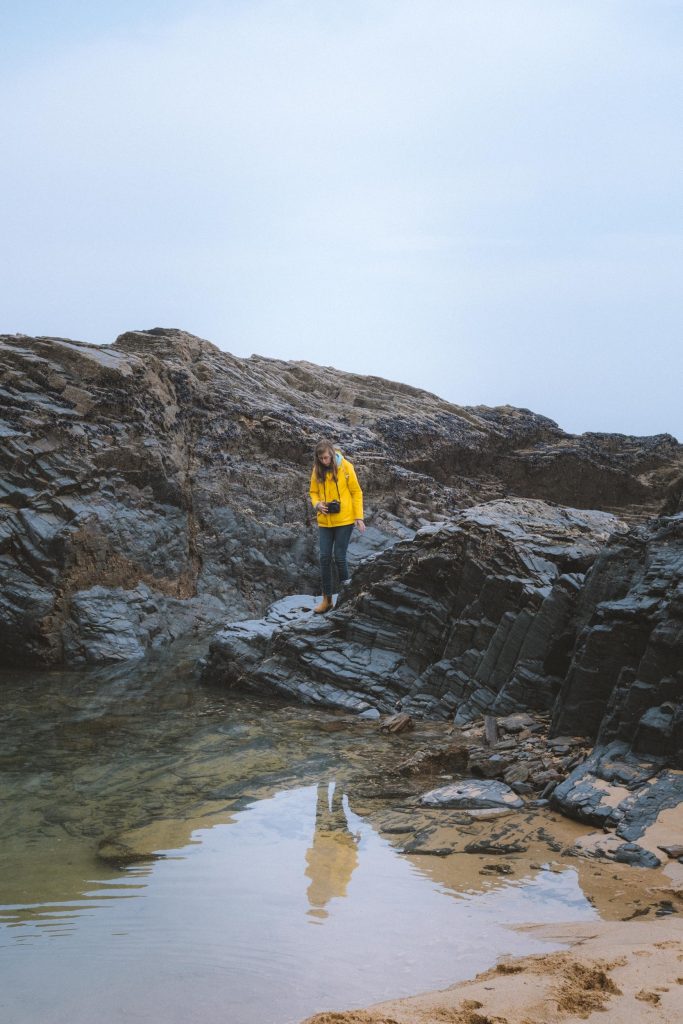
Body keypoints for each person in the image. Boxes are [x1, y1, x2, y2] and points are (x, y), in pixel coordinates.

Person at [309, 438, 365, 613]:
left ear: (332, 454)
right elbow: (313, 492)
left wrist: (359, 517)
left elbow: (356, 492)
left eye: (327, 458)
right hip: (325, 520)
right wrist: (317, 504)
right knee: (324, 558)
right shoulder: (317, 470)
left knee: (339, 557)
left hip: (345, 520)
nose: (325, 461)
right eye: (321, 459)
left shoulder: (346, 467)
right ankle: (327, 600)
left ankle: (345, 598)